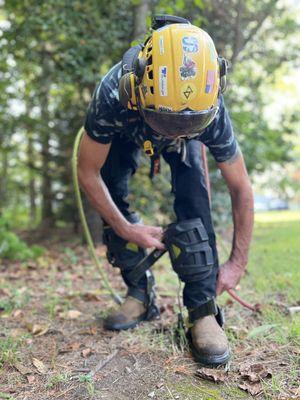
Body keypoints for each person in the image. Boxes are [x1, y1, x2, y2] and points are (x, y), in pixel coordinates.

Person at [78, 15, 254, 367]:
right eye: (171, 123)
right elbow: (88, 173)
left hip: (183, 129)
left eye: (188, 124)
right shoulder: (114, 94)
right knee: (112, 187)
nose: (176, 132)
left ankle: (202, 310)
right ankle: (139, 293)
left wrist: (236, 263)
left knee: (194, 194)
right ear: (137, 90)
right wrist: (127, 229)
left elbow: (241, 189)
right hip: (126, 133)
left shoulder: (209, 106)